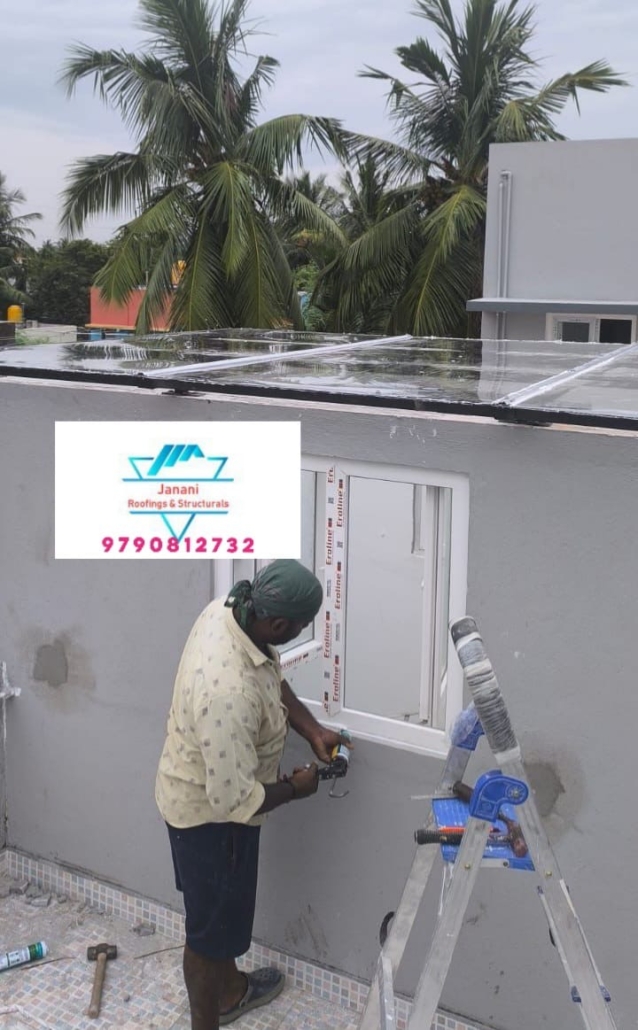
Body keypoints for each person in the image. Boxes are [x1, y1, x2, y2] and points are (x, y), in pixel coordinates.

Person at [155, 559, 350, 1030]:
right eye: (302, 626)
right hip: (210, 820)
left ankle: (231, 991)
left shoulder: (231, 613)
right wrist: (296, 789)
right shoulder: (227, 692)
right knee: (206, 935)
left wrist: (312, 730)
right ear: (279, 624)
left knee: (219, 918)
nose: (303, 632)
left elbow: (269, 675)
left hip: (203, 797)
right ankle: (207, 1020)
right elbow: (236, 801)